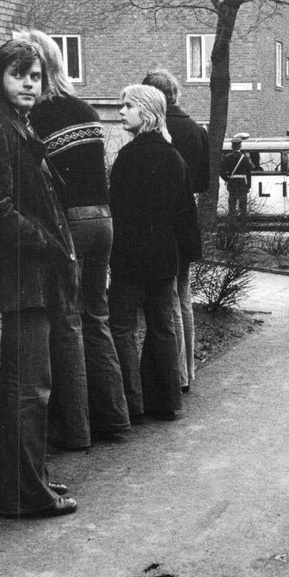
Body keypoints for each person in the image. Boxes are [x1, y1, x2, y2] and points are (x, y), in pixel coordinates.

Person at [0, 39, 79, 518]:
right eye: (19, 74)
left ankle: (14, 481)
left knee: (23, 385)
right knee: (29, 389)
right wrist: (49, 244)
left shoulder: (11, 123)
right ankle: (25, 493)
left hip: (28, 273)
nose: (29, 83)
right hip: (22, 274)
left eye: (35, 75)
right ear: (0, 77)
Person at [22, 29, 131, 445]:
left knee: (65, 321)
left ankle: (76, 429)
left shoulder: (37, 115)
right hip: (103, 219)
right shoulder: (85, 108)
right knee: (96, 317)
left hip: (70, 223)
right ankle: (115, 418)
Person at [108, 85, 191, 422]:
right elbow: (184, 213)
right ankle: (166, 399)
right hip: (163, 254)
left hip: (129, 254)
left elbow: (118, 209)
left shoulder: (128, 158)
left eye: (127, 106)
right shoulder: (174, 157)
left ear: (145, 112)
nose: (121, 112)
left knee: (123, 327)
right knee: (163, 325)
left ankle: (132, 403)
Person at [142, 68, 205, 394]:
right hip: (187, 222)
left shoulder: (161, 129)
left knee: (169, 302)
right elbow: (203, 183)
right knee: (185, 296)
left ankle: (176, 374)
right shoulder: (196, 129)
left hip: (164, 227)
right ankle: (188, 370)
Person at [220, 135, 252, 216]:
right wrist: (248, 185)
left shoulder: (227, 158)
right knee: (243, 206)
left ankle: (231, 223)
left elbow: (222, 173)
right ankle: (242, 224)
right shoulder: (245, 158)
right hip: (242, 183)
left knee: (232, 205)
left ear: (232, 146)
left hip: (232, 183)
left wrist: (228, 180)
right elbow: (248, 173)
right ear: (240, 146)